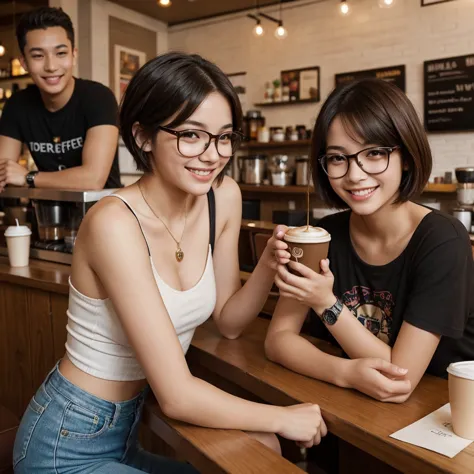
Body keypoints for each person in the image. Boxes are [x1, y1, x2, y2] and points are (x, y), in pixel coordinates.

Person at [13, 52, 327, 473]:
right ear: (143, 136)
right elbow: (178, 395)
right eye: (192, 135)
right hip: (65, 445)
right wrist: (285, 416)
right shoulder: (113, 222)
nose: (212, 155)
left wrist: (269, 263)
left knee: (261, 450)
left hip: (125, 433)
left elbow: (230, 321)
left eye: (224, 137)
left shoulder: (222, 196)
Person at [265, 79, 474, 403]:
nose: (355, 174)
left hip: (442, 417)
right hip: (354, 407)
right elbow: (277, 340)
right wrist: (344, 373)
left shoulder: (442, 241)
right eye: (338, 158)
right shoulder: (323, 236)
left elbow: (398, 381)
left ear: (406, 156)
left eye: (374, 153)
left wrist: (325, 302)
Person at [0, 7, 121, 191]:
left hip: (104, 213)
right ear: (24, 62)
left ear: (74, 55)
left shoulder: (98, 97)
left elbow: (92, 179)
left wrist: (28, 177)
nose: (51, 66)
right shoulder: (17, 106)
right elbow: (4, 174)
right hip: (48, 214)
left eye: (61, 53)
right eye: (38, 56)